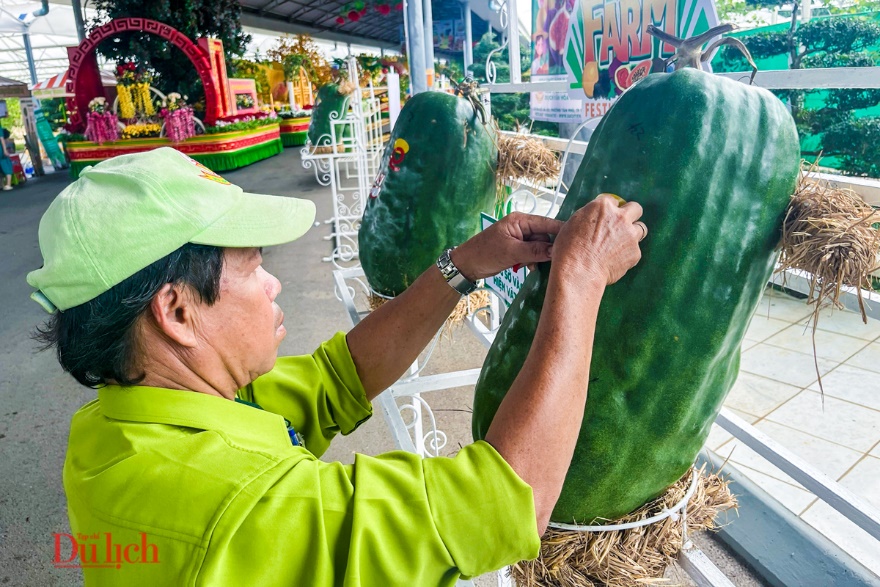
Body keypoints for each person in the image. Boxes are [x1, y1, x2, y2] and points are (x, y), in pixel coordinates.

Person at [29, 148, 646, 585]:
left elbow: (337, 378)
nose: (274, 284)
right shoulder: (238, 509)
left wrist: (464, 265)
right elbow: (508, 501)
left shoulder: (123, 423)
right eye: (252, 266)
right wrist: (582, 279)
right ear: (179, 313)